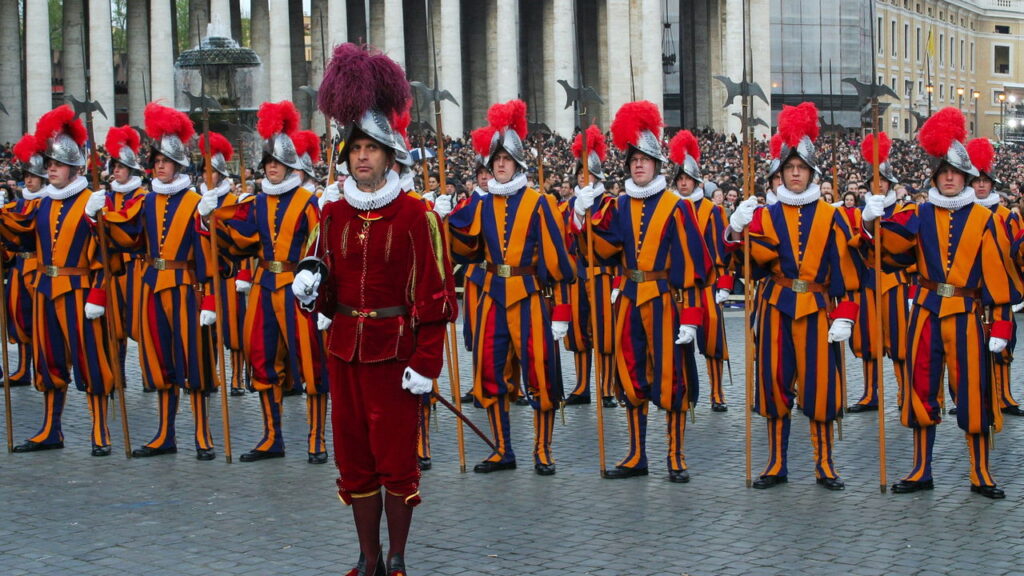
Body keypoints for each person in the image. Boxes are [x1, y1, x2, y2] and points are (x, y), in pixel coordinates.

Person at [293, 42, 457, 576]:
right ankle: (367, 558)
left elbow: (435, 300)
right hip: (344, 350)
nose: (362, 155)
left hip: (396, 357)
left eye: (372, 147)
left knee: (395, 461)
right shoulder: (333, 213)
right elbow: (325, 283)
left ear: (390, 155)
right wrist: (310, 292)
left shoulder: (416, 217)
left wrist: (426, 367)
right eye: (355, 148)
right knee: (355, 460)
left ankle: (397, 556)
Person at [866, 108, 1020, 499]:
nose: (949, 177)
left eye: (956, 172)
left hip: (968, 316)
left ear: (967, 176)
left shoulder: (986, 222)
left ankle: (980, 471)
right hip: (926, 313)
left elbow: (998, 277)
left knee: (974, 393)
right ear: (934, 176)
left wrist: (1002, 325)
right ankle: (921, 468)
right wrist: (873, 222)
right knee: (920, 389)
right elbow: (890, 253)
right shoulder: (919, 213)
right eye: (943, 171)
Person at [727, 102, 860, 491]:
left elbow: (847, 272)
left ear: (812, 173)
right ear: (780, 174)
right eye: (789, 168)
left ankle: (824, 463)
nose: (796, 173)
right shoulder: (764, 215)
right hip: (775, 307)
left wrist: (846, 314)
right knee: (773, 383)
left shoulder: (831, 215)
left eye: (801, 168)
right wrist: (737, 232)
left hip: (818, 308)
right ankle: (776, 462)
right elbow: (745, 267)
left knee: (821, 387)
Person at [576, 101, 709, 483]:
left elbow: (693, 269)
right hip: (630, 300)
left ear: (657, 164)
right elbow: (602, 249)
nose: (638, 165)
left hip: (666, 301)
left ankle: (676, 455)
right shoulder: (618, 204)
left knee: (671, 377)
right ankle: (636, 454)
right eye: (633, 158)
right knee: (630, 375)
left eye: (645, 159)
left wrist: (692, 318)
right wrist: (583, 216)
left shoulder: (677, 207)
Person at [448, 99, 576, 476]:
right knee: (489, 371)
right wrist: (445, 217)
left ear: (518, 164)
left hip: (530, 296)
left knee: (539, 372)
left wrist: (563, 313)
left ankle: (542, 449)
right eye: (495, 159)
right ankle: (502, 448)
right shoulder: (480, 203)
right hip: (491, 297)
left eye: (506, 159)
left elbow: (559, 262)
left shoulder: (539, 203)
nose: (500, 164)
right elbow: (465, 249)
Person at [202, 100, 329, 464]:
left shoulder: (308, 201)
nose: (272, 168)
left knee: (310, 361)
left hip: (297, 287)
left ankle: (317, 439)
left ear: (290, 165)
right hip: (262, 286)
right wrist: (213, 216)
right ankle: (272, 437)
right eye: (268, 163)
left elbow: (320, 244)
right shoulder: (256, 203)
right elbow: (240, 238)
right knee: (261, 357)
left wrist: (313, 276)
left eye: (278, 163)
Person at [96, 105, 218, 460]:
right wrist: (98, 218)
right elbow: (127, 235)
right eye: (156, 160)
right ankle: (165, 434)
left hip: (184, 287)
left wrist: (209, 298)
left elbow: (207, 256)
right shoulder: (145, 201)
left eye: (166, 160)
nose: (160, 165)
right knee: (159, 361)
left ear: (179, 164)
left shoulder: (197, 202)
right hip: (151, 286)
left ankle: (202, 434)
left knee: (194, 360)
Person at [1, 105, 116, 456]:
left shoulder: (90, 201)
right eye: (48, 163)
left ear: (76, 168)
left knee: (91, 360)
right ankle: (52, 429)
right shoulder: (42, 203)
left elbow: (107, 257)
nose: (50, 168)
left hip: (80, 292)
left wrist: (98, 293)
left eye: (58, 164)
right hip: (46, 291)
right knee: (49, 361)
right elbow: (17, 230)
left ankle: (100, 430)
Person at [668, 129, 732, 412]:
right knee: (680, 341)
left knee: (712, 341)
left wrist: (724, 284)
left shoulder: (712, 210)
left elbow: (721, 249)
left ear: (696, 181)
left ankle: (717, 393)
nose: (683, 183)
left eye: (687, 179)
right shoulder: (668, 209)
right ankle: (685, 391)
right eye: (679, 179)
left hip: (706, 285)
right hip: (679, 287)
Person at [847, 133, 910, 414]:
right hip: (869, 281)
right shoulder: (859, 213)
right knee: (867, 340)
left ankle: (903, 391)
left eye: (883, 181)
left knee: (900, 341)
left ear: (890, 185)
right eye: (874, 181)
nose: (879, 185)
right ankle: (870, 393)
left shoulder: (904, 211)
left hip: (896, 282)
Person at [965, 137, 1024, 417]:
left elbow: (1018, 253)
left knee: (1003, 348)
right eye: (976, 180)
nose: (981, 185)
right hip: (971, 294)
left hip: (999, 293)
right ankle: (977, 397)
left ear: (992, 184)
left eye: (985, 181)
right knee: (973, 347)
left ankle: (1005, 397)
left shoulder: (1006, 217)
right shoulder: (962, 216)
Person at [561, 125, 618, 409]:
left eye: (589, 174)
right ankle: (582, 385)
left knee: (605, 333)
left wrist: (585, 216)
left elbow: (611, 242)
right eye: (580, 174)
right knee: (578, 333)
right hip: (576, 277)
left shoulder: (609, 205)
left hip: (602, 276)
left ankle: (606, 387)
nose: (584, 178)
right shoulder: (566, 206)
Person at [198, 132, 250, 398]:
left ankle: (237, 377)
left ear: (220, 174)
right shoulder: (199, 203)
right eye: (204, 172)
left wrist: (244, 275)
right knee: (208, 329)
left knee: (235, 330)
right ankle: (210, 375)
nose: (207, 177)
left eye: (212, 172)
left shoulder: (234, 202)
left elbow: (243, 242)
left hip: (230, 275)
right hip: (207, 275)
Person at [5, 133, 48, 387]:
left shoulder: (47, 204)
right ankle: (23, 369)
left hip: (39, 267)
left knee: (41, 321)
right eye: (26, 176)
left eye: (33, 176)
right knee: (19, 318)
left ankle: (43, 367)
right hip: (19, 267)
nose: (28, 181)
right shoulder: (17, 205)